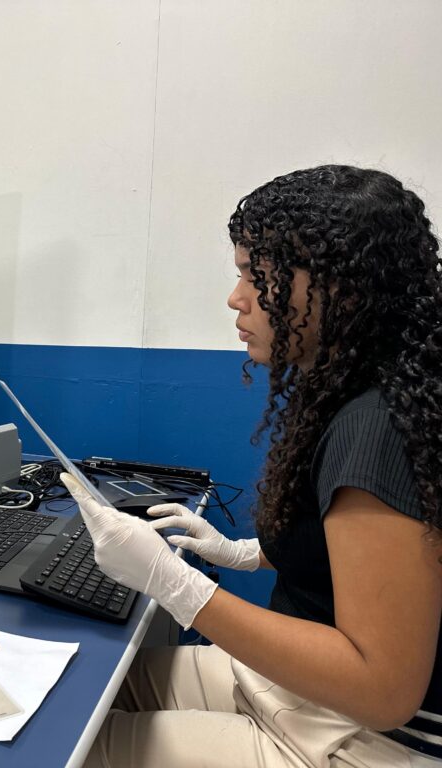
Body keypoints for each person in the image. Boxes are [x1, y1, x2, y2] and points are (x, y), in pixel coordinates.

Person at [65, 166, 442, 767]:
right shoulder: (355, 392)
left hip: (364, 739)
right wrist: (243, 551)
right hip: (307, 699)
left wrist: (177, 583)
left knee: (75, 748)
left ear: (337, 287)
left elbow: (385, 691)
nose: (237, 297)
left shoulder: (378, 430)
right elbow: (351, 558)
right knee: (87, 689)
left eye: (253, 274)